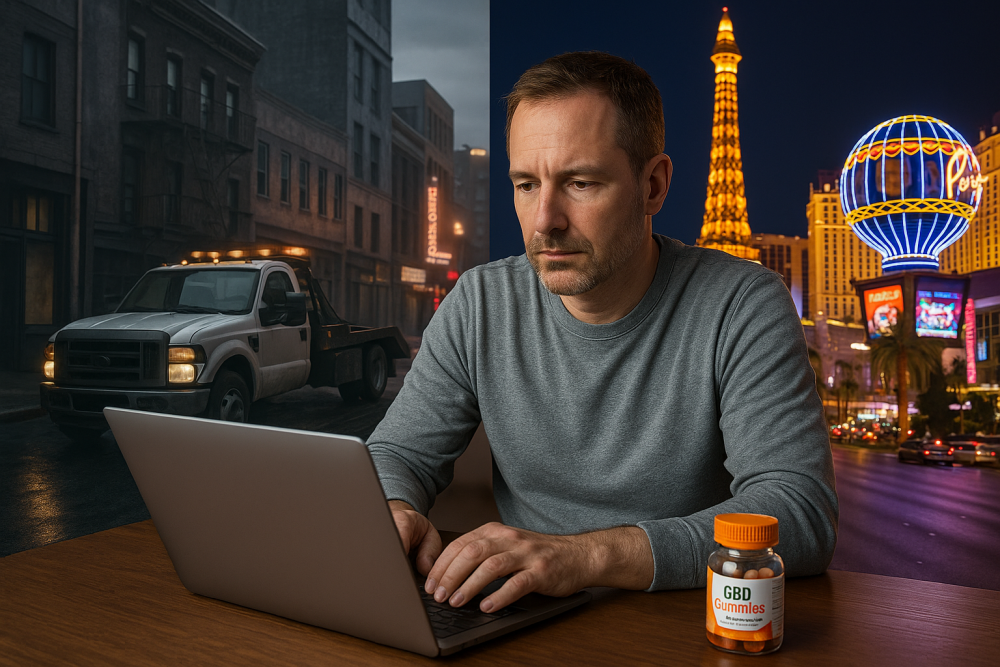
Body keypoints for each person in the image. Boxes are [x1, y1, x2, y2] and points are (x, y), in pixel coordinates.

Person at [367, 51, 838, 614]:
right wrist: (394, 509)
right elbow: (397, 453)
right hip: (521, 617)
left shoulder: (743, 304)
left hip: (686, 622)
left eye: (581, 182)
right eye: (526, 184)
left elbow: (798, 511)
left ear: (653, 186)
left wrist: (583, 558)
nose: (545, 220)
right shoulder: (479, 302)